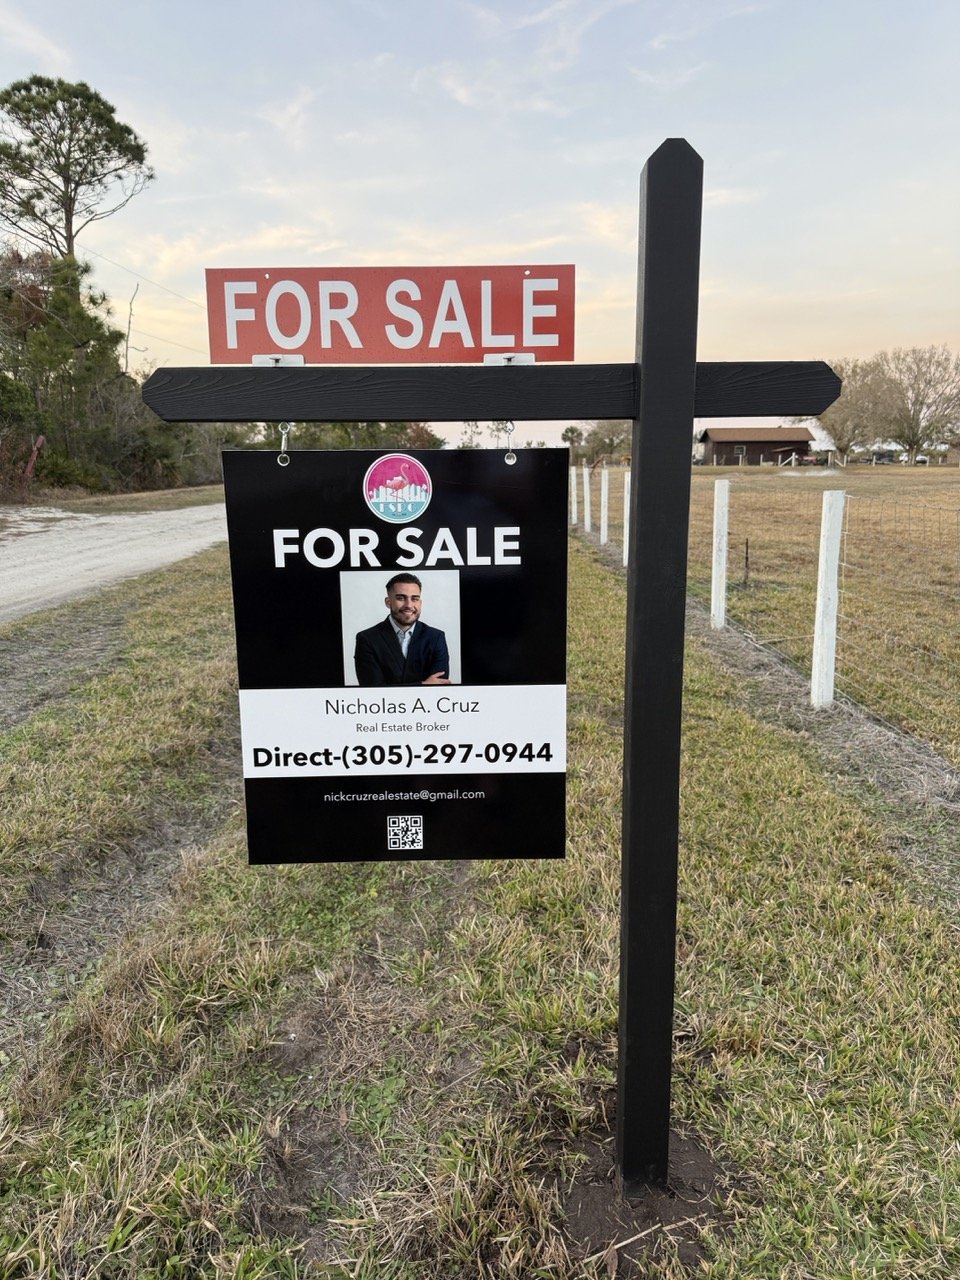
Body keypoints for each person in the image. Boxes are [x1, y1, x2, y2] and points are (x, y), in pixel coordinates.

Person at [354, 573, 451, 687]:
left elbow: (438, 686)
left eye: (415, 599)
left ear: (420, 603)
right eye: (401, 598)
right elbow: (372, 689)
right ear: (388, 602)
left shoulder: (436, 637)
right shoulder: (367, 639)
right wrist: (423, 684)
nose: (409, 605)